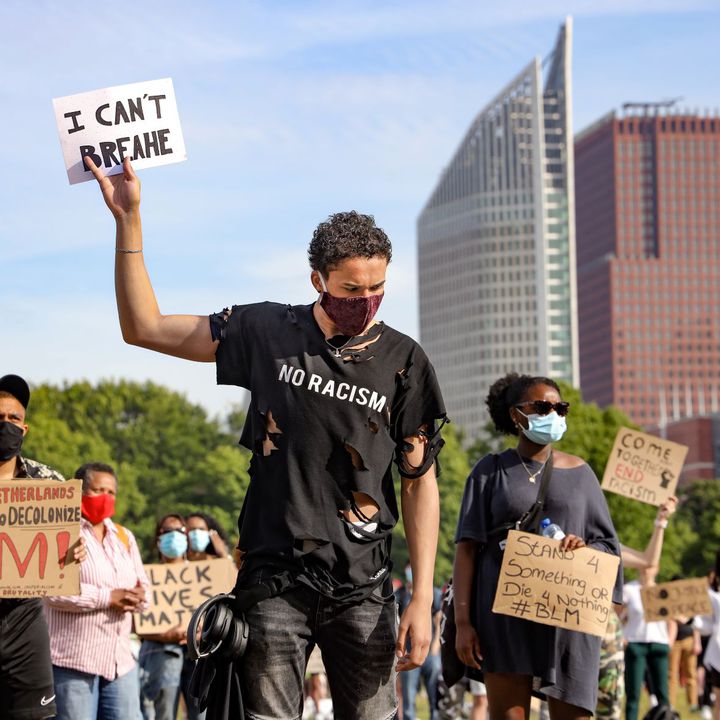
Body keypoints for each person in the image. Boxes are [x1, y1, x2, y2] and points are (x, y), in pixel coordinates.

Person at [87, 156, 446, 719]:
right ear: (317, 280)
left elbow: (419, 484)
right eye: (352, 288)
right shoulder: (264, 330)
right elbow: (144, 328)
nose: (367, 302)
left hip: (364, 588)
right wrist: (128, 220)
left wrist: (422, 596)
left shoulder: (405, 361)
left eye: (379, 287)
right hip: (274, 584)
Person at [453, 373, 622, 720]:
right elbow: (467, 550)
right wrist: (462, 623)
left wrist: (584, 550)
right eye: (542, 407)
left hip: (567, 620)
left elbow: (609, 547)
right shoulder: (490, 471)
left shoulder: (582, 474)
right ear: (516, 415)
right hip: (503, 617)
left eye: (560, 408)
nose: (554, 414)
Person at [0, 373, 82, 720]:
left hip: (23, 623)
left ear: (24, 428)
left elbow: (68, 545)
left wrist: (75, 553)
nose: (5, 425)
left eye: (13, 419)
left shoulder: (47, 482)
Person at [44, 462, 149, 720]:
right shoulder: (60, 532)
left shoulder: (124, 537)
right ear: (78, 491)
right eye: (97, 490)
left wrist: (137, 598)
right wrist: (109, 597)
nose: (105, 497)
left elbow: (144, 587)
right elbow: (51, 591)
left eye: (111, 492)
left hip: (120, 664)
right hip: (72, 664)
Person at [596, 498, 677, 720]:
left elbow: (647, 559)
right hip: (630, 644)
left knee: (610, 701)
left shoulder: (602, 546)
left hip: (647, 644)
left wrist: (661, 522)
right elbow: (619, 613)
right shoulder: (631, 590)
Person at [139, 514, 189, 720]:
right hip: (160, 653)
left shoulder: (205, 574)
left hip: (196, 654)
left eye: (179, 531)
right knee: (163, 713)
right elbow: (137, 621)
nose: (174, 536)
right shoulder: (146, 576)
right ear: (158, 539)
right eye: (168, 531)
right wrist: (165, 635)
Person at [622, 566, 675, 720]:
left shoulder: (662, 591)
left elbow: (672, 622)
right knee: (633, 692)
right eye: (644, 566)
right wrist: (621, 636)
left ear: (657, 569)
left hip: (659, 644)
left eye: (650, 567)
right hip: (635, 644)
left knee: (662, 692)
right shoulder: (629, 589)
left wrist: (669, 642)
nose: (646, 570)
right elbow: (616, 614)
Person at [399, 565, 442, 720]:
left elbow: (439, 620)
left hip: (430, 652)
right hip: (409, 652)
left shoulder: (434, 594)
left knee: (434, 693)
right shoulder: (402, 594)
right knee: (409, 696)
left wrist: (436, 644)